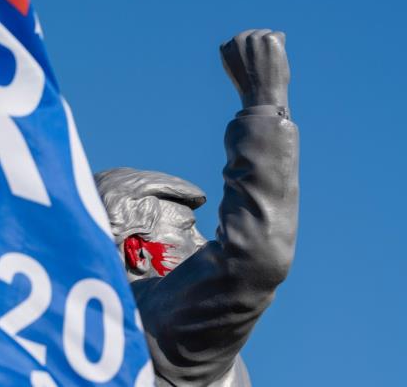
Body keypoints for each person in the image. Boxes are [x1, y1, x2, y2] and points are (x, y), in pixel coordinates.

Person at [95, 29, 299, 386]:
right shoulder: (154, 319)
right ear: (137, 250)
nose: (204, 244)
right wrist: (264, 102)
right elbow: (253, 259)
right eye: (188, 230)